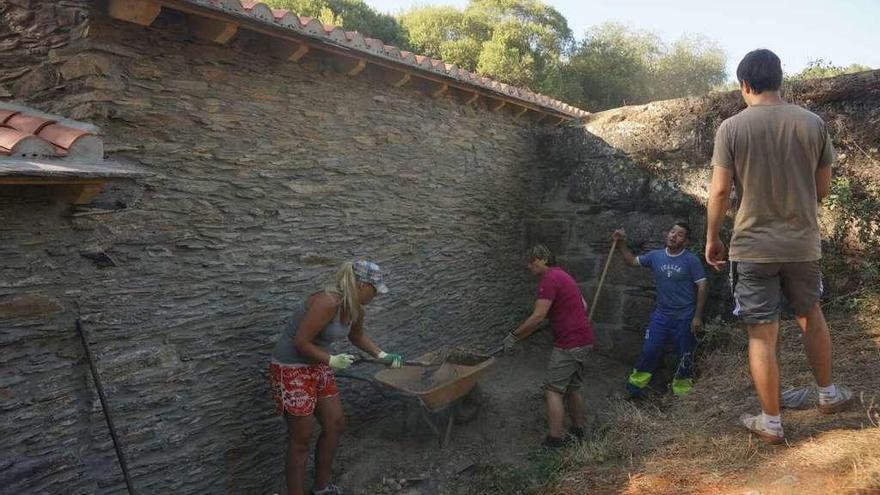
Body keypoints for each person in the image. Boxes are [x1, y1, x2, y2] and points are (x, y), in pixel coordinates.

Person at [706, 49, 852, 444]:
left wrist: (712, 238)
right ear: (779, 80)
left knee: (761, 333)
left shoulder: (731, 129)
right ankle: (828, 394)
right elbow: (821, 190)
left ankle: (770, 421)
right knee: (811, 314)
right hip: (802, 245)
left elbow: (719, 191)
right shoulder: (813, 124)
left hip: (752, 248)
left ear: (745, 85)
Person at [269, 260, 403, 495]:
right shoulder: (327, 301)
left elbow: (357, 336)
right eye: (375, 289)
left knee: (335, 423)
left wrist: (382, 355)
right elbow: (300, 342)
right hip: (291, 367)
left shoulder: (356, 307)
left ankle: (322, 488)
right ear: (361, 284)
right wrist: (331, 360)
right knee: (301, 439)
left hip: (317, 364)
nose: (377, 295)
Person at [501, 244, 594, 448]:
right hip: (584, 340)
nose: (529, 268)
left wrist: (514, 336)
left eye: (531, 263)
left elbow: (538, 316)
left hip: (569, 344)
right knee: (572, 388)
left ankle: (554, 440)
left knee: (553, 390)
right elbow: (583, 306)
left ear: (543, 258)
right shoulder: (563, 275)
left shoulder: (549, 279)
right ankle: (578, 429)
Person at [612, 223, 707, 397]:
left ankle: (683, 394)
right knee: (649, 350)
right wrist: (621, 244)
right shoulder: (655, 256)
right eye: (672, 232)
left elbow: (702, 286)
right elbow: (632, 261)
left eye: (679, 235)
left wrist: (697, 317)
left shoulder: (691, 260)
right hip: (661, 316)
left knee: (685, 355)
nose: (673, 236)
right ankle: (634, 389)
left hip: (685, 317)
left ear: (685, 241)